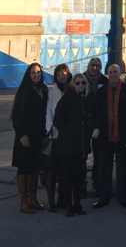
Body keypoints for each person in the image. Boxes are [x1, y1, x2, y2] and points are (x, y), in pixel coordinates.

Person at [92, 63, 126, 209]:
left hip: (122, 136)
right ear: (107, 74)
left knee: (122, 169)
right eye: (110, 72)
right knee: (104, 168)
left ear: (120, 74)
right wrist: (96, 128)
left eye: (115, 72)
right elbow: (96, 112)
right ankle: (104, 197)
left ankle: (123, 197)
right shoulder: (101, 92)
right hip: (105, 135)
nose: (113, 74)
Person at [11, 62, 48, 214]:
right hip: (25, 136)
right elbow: (16, 116)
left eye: (38, 73)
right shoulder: (24, 91)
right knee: (24, 169)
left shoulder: (44, 90)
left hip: (38, 135)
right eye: (33, 73)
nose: (36, 75)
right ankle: (24, 201)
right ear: (28, 74)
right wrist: (21, 135)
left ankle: (33, 198)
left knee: (35, 168)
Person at [53, 73, 92, 217]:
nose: (80, 85)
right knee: (68, 177)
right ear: (72, 84)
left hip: (80, 146)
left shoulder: (84, 100)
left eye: (83, 83)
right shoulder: (66, 100)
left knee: (79, 177)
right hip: (68, 146)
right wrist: (68, 132)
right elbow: (57, 120)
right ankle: (68, 205)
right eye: (77, 83)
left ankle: (77, 204)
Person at [44, 63, 72, 211]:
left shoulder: (71, 89)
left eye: (65, 73)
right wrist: (50, 129)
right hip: (54, 135)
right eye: (60, 73)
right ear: (56, 75)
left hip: (67, 136)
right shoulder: (51, 90)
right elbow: (48, 111)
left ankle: (62, 199)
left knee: (64, 170)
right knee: (51, 171)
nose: (63, 75)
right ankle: (51, 201)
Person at [85, 57, 107, 196]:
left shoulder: (104, 81)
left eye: (98, 65)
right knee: (82, 155)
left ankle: (97, 182)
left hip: (98, 124)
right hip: (84, 123)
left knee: (99, 156)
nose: (95, 68)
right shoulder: (82, 79)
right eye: (93, 65)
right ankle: (80, 184)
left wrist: (99, 125)